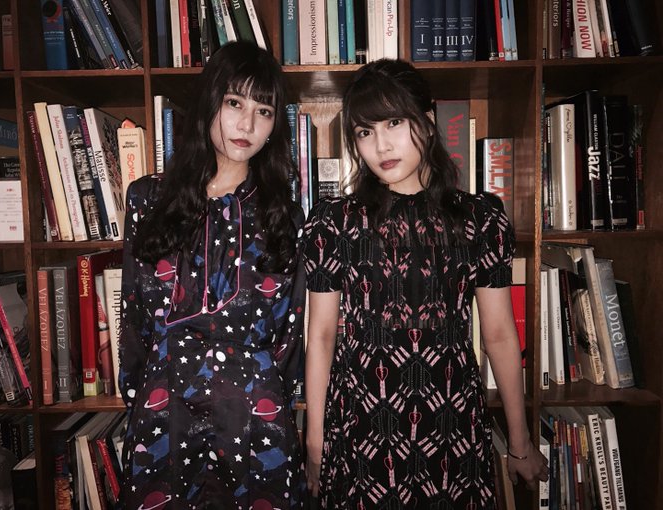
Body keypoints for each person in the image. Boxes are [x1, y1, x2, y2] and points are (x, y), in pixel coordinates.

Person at [303, 59, 548, 508]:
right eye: (365, 131)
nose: (381, 144)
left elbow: (498, 334)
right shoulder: (334, 223)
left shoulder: (480, 219)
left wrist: (519, 441)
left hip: (452, 423)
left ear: (428, 122)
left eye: (395, 123)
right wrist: (315, 441)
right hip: (360, 426)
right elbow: (320, 336)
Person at [118, 41, 305, 509]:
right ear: (209, 103)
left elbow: (289, 333)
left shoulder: (283, 216)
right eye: (235, 103)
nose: (247, 124)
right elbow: (135, 319)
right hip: (164, 411)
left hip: (254, 417)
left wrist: (269, 400)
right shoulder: (148, 200)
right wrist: (140, 399)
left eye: (264, 111)